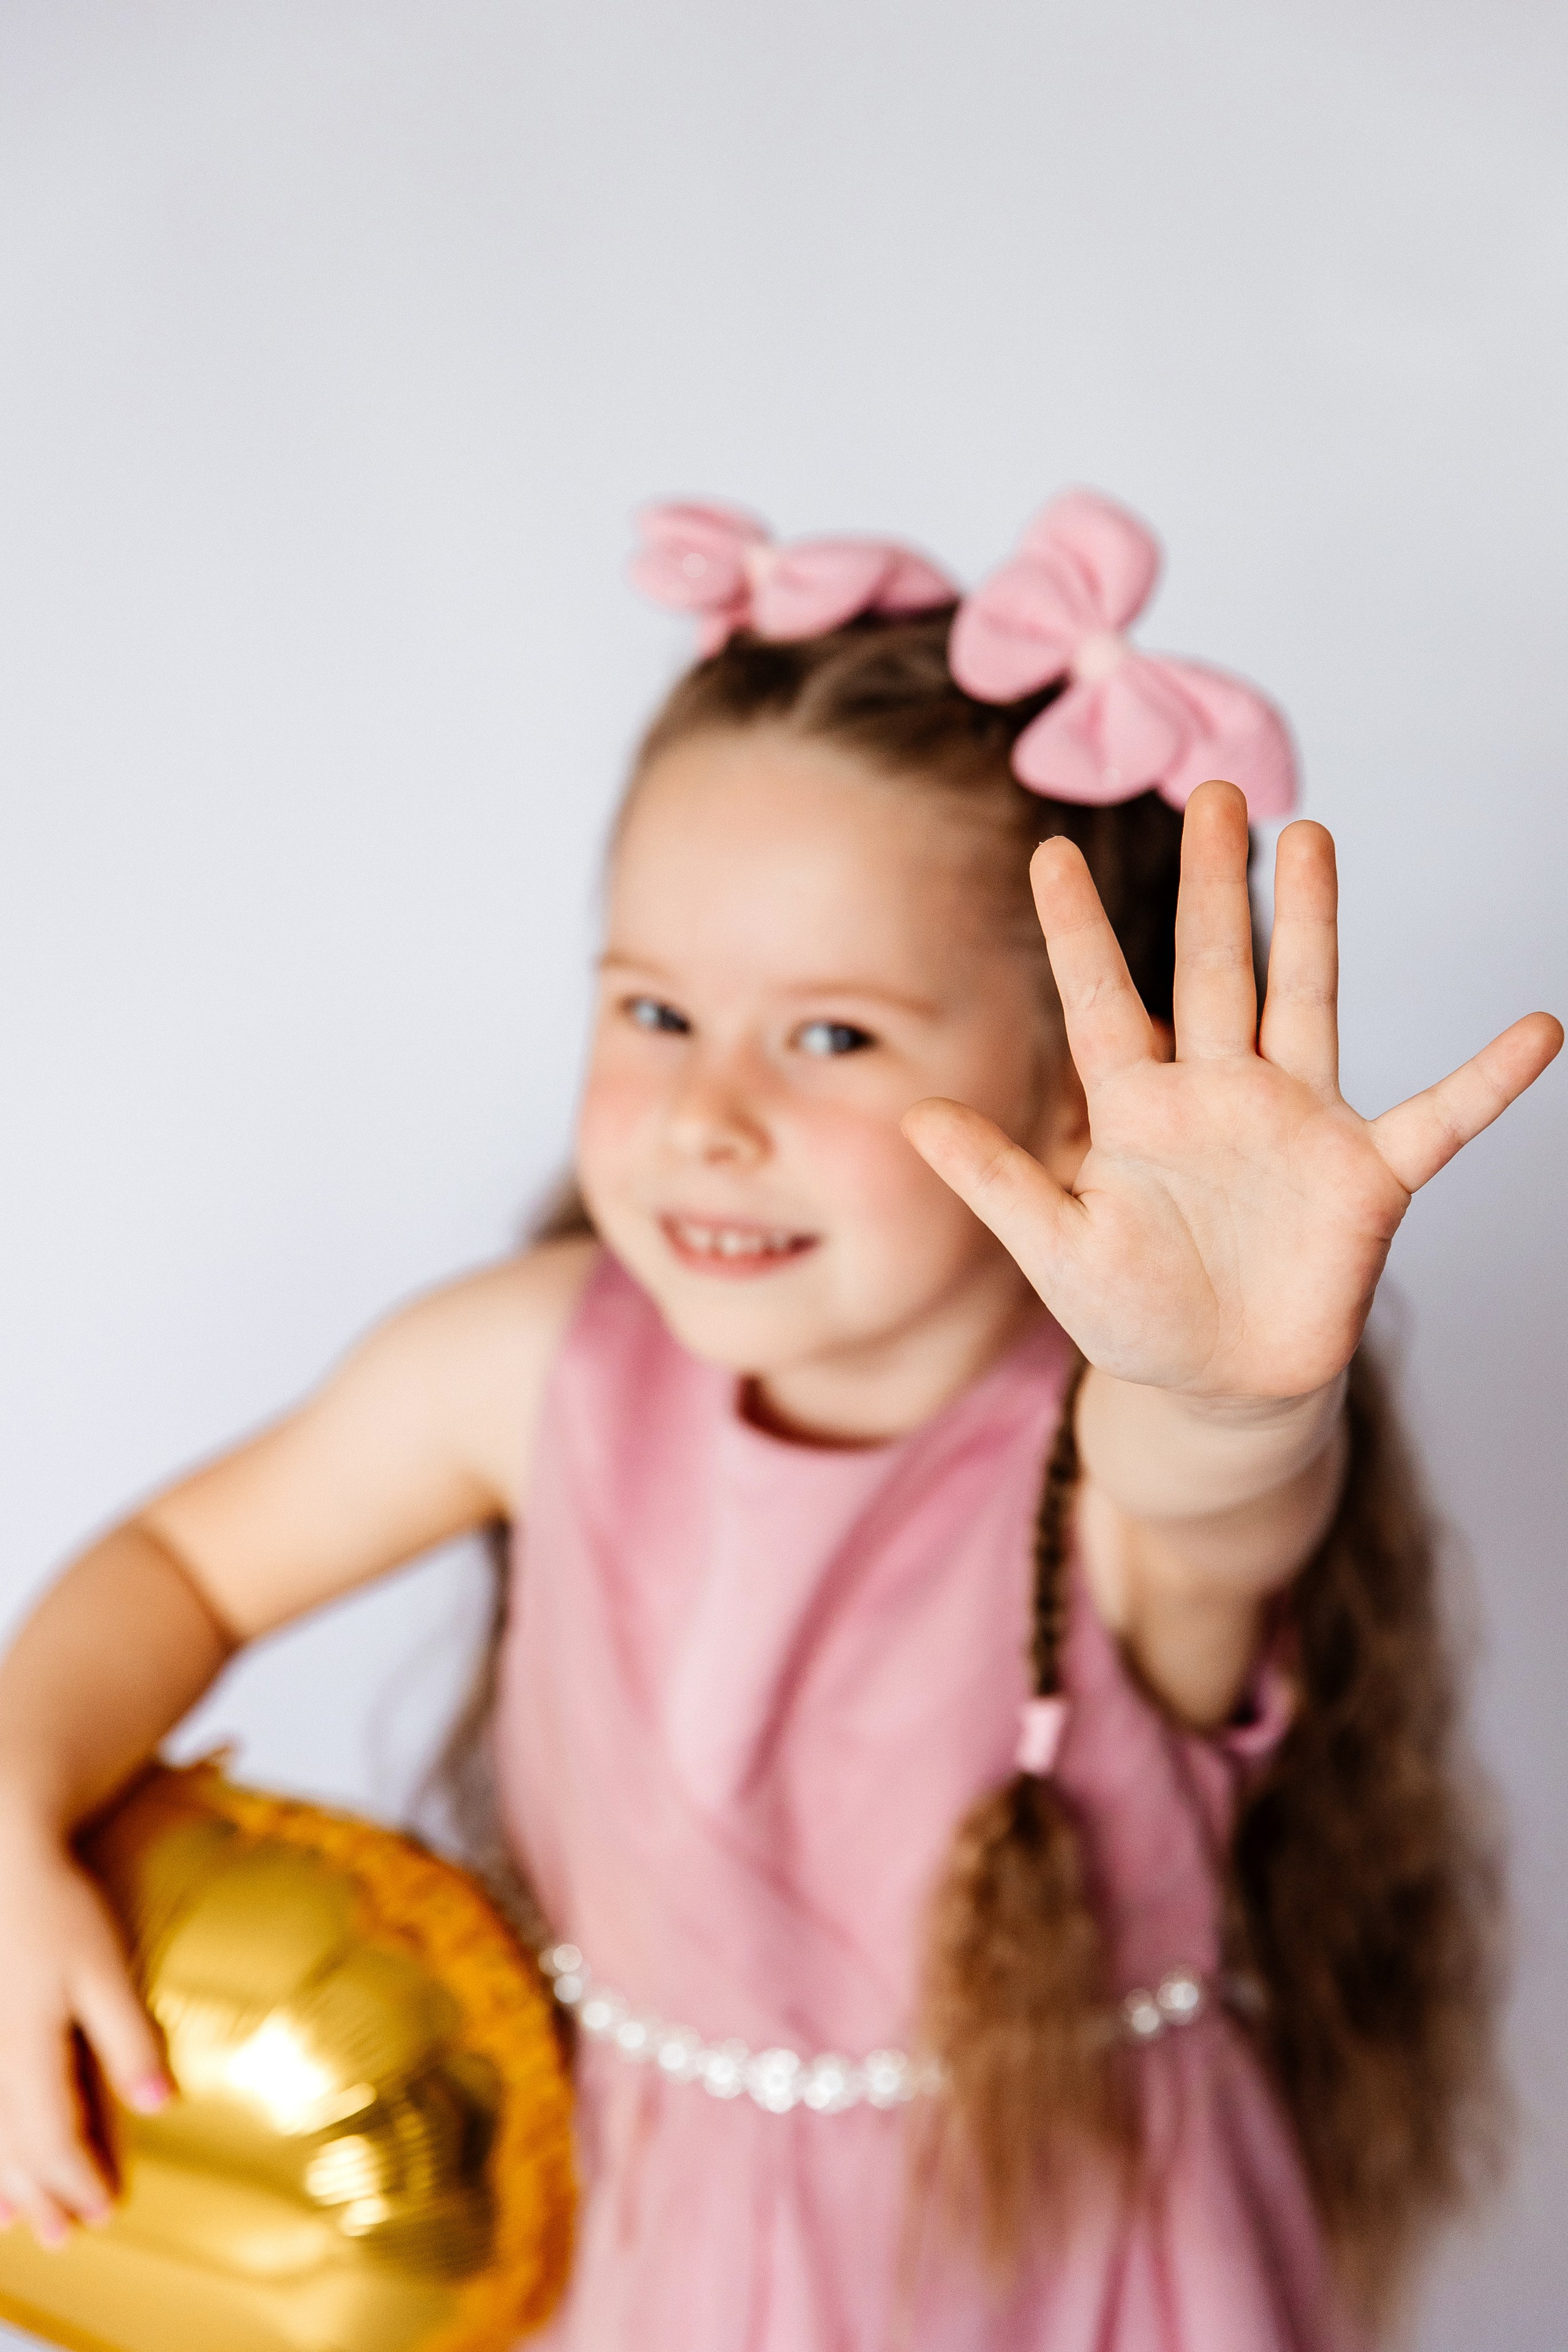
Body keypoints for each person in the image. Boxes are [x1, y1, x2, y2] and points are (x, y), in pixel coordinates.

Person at [0, 490, 1558, 2351]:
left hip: (1075, 2289)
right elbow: (184, 1562)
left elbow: (1217, 1492)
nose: (706, 1114)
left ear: (1081, 1103)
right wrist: (15, 1789)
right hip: (646, 2272)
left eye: (833, 1037)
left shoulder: (1110, 1465)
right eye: (655, 1010)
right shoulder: (524, 1366)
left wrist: (1224, 1388)